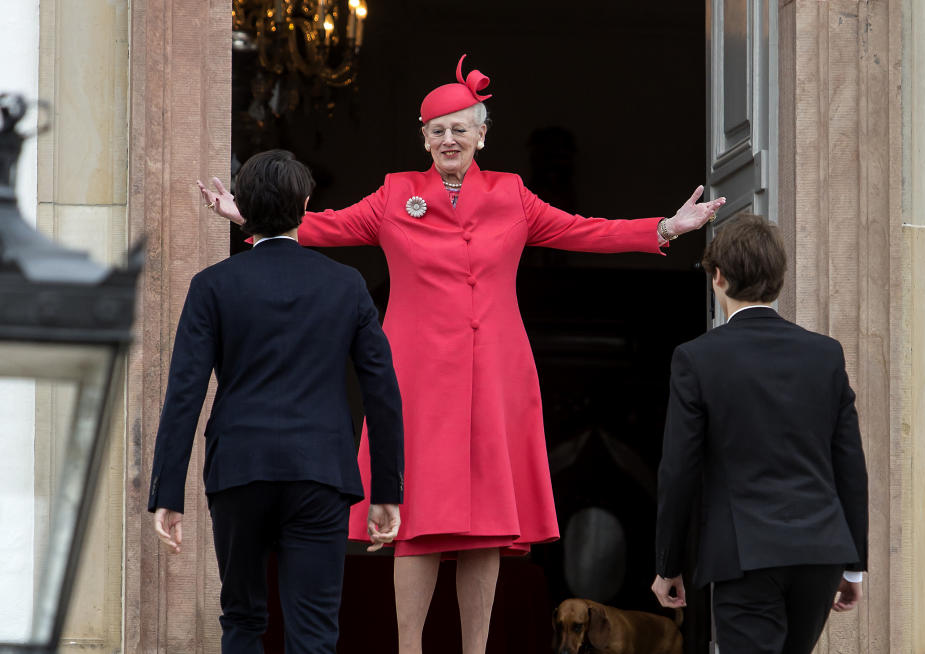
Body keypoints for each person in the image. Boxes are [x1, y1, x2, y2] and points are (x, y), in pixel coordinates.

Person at [199, 55, 726, 654]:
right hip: (416, 378)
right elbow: (323, 226)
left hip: (497, 373)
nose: (449, 139)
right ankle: (409, 649)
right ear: (422, 138)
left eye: (460, 127)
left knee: (485, 528)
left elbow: (586, 230)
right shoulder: (397, 193)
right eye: (437, 129)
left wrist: (666, 228)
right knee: (416, 521)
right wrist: (251, 218)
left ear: (482, 133)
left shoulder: (512, 195)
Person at [150, 149, 404, 654]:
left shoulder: (212, 285)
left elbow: (185, 392)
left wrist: (167, 491)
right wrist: (387, 488)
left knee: (242, 618)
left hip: (239, 469)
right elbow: (382, 391)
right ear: (307, 206)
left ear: (242, 205)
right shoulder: (346, 284)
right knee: (313, 631)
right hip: (321, 471)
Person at [651, 214, 868, 654]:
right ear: (779, 280)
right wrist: (854, 565)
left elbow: (679, 469)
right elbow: (850, 464)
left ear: (718, 277)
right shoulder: (825, 355)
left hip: (743, 554)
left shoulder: (697, 358)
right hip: (819, 553)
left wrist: (668, 564)